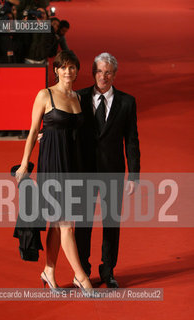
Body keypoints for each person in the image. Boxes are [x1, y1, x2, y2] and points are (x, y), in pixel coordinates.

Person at [15, 50, 93, 292]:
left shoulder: (79, 98)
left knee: (59, 225)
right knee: (66, 223)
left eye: (72, 67)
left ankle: (48, 271)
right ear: (56, 70)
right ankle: (82, 277)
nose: (68, 71)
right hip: (53, 165)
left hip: (73, 165)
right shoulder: (45, 95)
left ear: (77, 71)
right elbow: (32, 131)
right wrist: (24, 163)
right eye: (64, 67)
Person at [75, 52, 141, 288]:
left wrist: (134, 175)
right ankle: (82, 270)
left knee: (111, 223)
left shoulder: (127, 102)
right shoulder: (79, 97)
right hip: (84, 172)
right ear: (93, 73)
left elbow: (131, 140)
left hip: (113, 172)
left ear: (115, 74)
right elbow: (67, 129)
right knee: (83, 223)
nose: (103, 76)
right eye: (99, 71)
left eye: (108, 72)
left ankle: (108, 270)